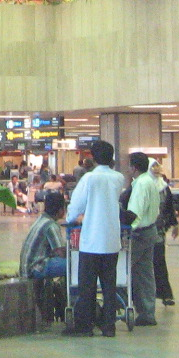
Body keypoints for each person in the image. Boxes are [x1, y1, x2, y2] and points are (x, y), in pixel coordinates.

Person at [63, 140, 126, 337]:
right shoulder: (118, 178)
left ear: (94, 157)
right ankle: (109, 326)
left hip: (91, 240)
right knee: (109, 285)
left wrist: (69, 218)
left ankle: (85, 326)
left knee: (87, 287)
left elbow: (77, 205)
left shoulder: (89, 179)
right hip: (111, 239)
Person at [124, 152, 165, 326]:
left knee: (126, 271)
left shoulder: (140, 184)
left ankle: (130, 308)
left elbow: (135, 213)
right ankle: (147, 312)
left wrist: (127, 231)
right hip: (151, 231)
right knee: (145, 274)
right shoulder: (151, 182)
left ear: (133, 167)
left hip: (139, 235)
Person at [18, 190, 69, 326]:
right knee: (74, 266)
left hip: (28, 266)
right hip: (37, 267)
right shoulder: (51, 225)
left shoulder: (41, 219)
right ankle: (72, 305)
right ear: (60, 210)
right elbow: (61, 252)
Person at [153, 180, 178, 306]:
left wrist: (174, 224)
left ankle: (166, 294)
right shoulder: (138, 184)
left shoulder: (163, 188)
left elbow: (169, 208)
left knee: (159, 262)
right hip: (142, 230)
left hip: (158, 231)